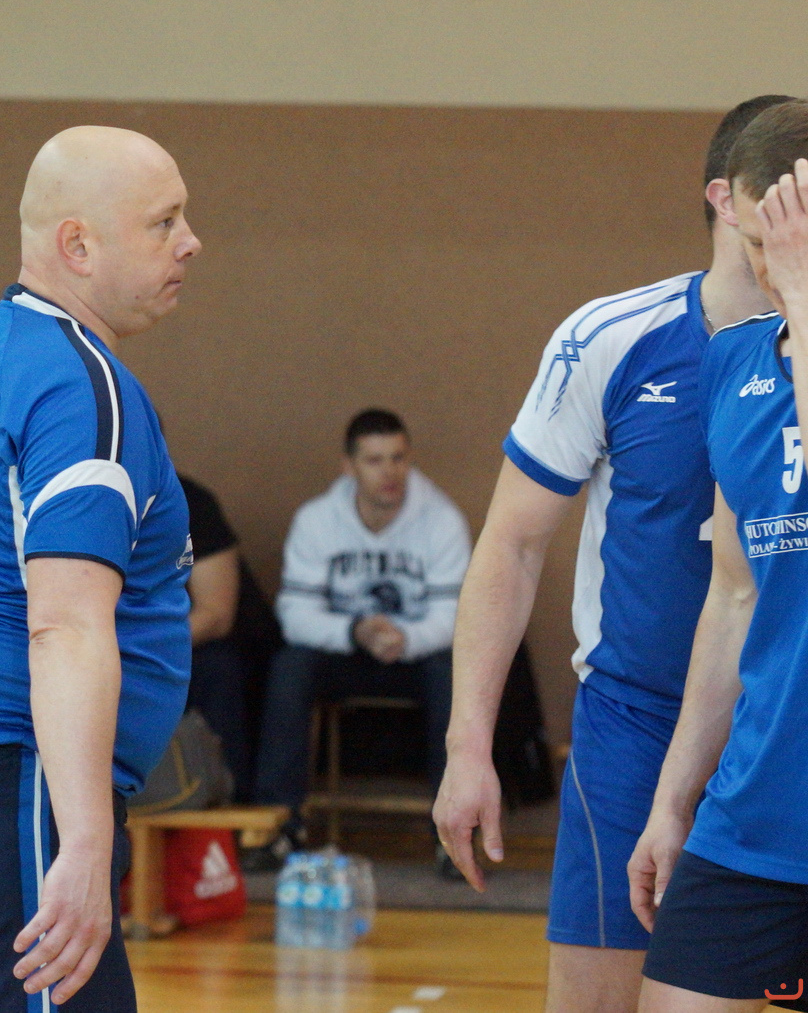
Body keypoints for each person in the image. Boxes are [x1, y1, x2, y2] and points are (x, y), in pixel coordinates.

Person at [432, 95, 788, 1013]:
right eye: (781, 197)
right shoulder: (613, 338)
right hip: (638, 718)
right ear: (725, 197)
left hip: (782, 729)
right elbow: (512, 545)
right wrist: (469, 743)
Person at [0, 125, 200, 1011]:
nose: (190, 242)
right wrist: (84, 844)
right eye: (164, 222)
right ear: (78, 245)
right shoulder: (78, 387)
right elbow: (64, 623)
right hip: (7, 775)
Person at [630, 103, 808, 1012]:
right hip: (755, 811)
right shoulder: (735, 363)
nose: (775, 265)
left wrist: (804, 298)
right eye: (763, 242)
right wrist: (674, 802)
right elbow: (733, 598)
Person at [253, 409, 470, 866]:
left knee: (457, 675)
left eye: (398, 458)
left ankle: (453, 835)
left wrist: (404, 637)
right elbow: (293, 615)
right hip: (345, 651)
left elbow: (458, 616)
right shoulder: (316, 520)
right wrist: (355, 631)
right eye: (374, 460)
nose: (389, 472)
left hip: (416, 654)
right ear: (349, 466)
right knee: (290, 666)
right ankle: (280, 828)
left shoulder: (442, 520)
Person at [176, 472, 254, 799]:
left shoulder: (188, 502)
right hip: (98, 643)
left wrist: (137, 648)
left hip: (182, 643)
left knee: (216, 665)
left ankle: (226, 804)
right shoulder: (68, 498)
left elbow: (216, 616)